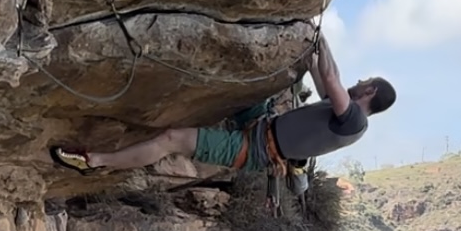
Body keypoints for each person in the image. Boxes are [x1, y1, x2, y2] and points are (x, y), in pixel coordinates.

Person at [50, 37, 394, 173]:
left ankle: (95, 161)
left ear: (370, 91)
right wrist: (315, 45)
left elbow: (332, 80)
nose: (358, 82)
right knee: (246, 79)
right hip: (262, 123)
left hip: (251, 148)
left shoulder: (354, 122)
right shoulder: (344, 115)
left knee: (171, 139)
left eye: (364, 83)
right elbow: (322, 81)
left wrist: (323, 43)